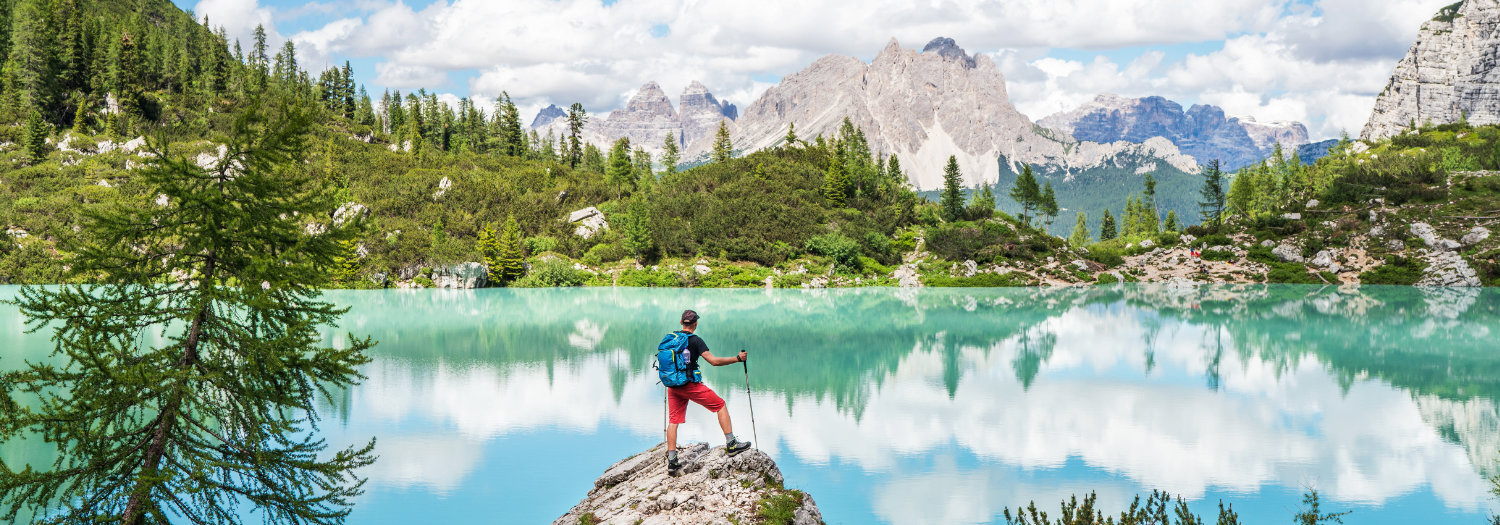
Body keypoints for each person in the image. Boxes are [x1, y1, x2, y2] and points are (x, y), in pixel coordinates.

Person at [665, 309, 751, 472]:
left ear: (681, 323)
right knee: (720, 405)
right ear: (695, 324)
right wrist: (737, 358)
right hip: (689, 385)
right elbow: (714, 361)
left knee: (673, 421)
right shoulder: (696, 340)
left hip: (673, 385)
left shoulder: (671, 339)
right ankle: (731, 444)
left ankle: (672, 461)